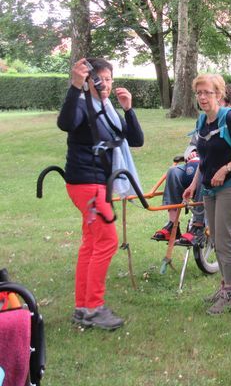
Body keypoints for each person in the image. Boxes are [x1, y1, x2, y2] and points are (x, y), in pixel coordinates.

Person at [57, 57, 144, 330]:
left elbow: (136, 139)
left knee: (92, 243)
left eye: (108, 79)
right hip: (88, 183)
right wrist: (74, 86)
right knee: (107, 241)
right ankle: (94, 308)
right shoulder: (83, 105)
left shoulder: (105, 108)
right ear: (89, 81)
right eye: (100, 79)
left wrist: (128, 110)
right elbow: (66, 123)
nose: (104, 84)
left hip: (95, 183)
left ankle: (83, 307)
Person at [183, 75, 231, 314]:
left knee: (224, 240)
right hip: (209, 188)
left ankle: (230, 293)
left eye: (207, 92)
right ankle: (224, 287)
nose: (202, 97)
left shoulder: (229, 118)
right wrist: (193, 184)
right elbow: (204, 158)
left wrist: (227, 168)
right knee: (216, 238)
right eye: (198, 93)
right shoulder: (202, 121)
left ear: (219, 94)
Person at [153, 84, 231, 249]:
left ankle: (198, 225)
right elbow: (193, 144)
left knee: (202, 173)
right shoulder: (204, 121)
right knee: (172, 172)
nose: (211, 103)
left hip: (214, 171)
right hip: (193, 165)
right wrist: (191, 152)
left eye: (218, 100)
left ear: (229, 104)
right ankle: (172, 225)